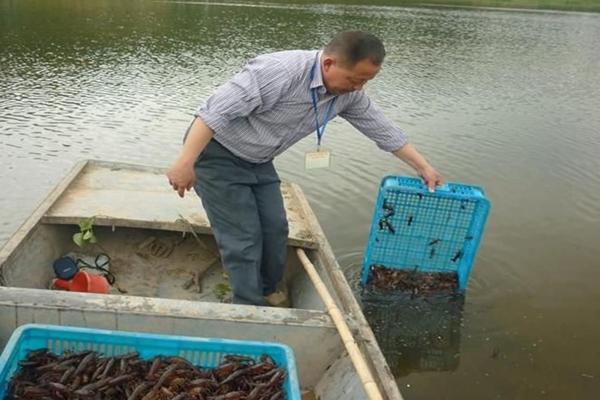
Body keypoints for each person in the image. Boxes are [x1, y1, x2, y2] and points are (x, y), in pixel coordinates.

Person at [166, 31, 443, 306]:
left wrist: (424, 167)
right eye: (354, 79)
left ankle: (269, 288)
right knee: (243, 236)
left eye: (366, 82)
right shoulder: (279, 72)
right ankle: (249, 305)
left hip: (259, 159)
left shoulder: (349, 95)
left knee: (275, 228)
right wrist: (185, 161)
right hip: (217, 154)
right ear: (328, 64)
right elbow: (213, 113)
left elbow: (382, 129)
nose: (358, 88)